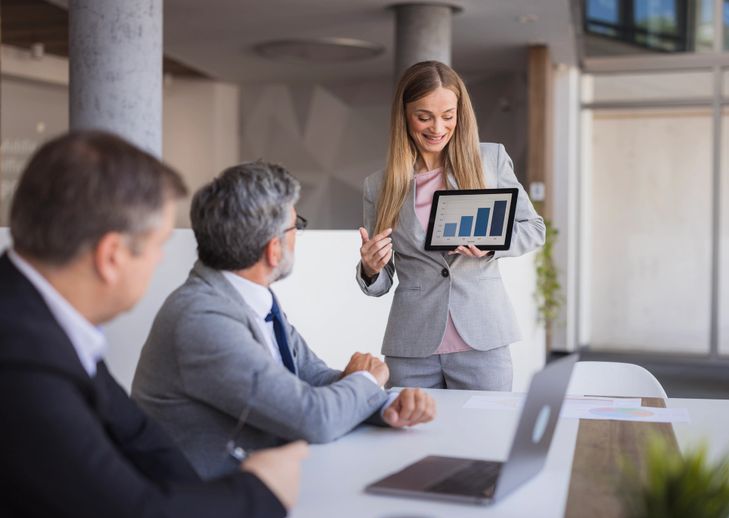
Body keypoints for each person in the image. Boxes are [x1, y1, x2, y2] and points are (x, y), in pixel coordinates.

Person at [0, 131, 307, 518]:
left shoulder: (36, 315)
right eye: (157, 245)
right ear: (112, 257)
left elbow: (140, 437)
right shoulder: (21, 359)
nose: (161, 260)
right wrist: (261, 490)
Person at [132, 161, 436, 480]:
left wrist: (387, 405)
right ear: (273, 249)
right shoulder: (201, 320)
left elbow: (311, 375)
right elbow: (312, 418)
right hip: (205, 504)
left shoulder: (250, 296)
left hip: (263, 484)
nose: (297, 237)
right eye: (296, 226)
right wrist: (366, 382)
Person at [356, 60, 545, 391]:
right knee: (409, 440)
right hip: (412, 345)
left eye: (448, 116)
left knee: (483, 438)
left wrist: (492, 244)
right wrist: (370, 268)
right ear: (404, 115)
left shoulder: (491, 161)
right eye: (424, 116)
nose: (437, 128)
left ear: (460, 114)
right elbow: (382, 279)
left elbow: (534, 228)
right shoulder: (379, 186)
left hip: (482, 338)